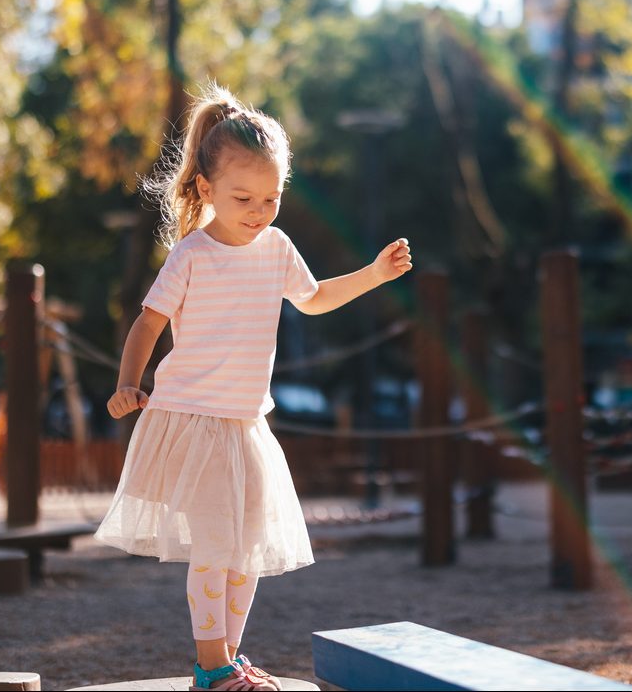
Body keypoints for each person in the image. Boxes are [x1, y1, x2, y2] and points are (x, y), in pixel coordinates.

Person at [94, 84, 412, 691]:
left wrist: (373, 274)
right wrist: (127, 384)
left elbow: (314, 299)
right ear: (206, 189)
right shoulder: (191, 254)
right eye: (243, 198)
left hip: (246, 424)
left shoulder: (277, 248)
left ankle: (229, 660)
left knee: (247, 550)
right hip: (193, 418)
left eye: (272, 198)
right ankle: (210, 666)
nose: (259, 211)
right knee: (216, 547)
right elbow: (148, 323)